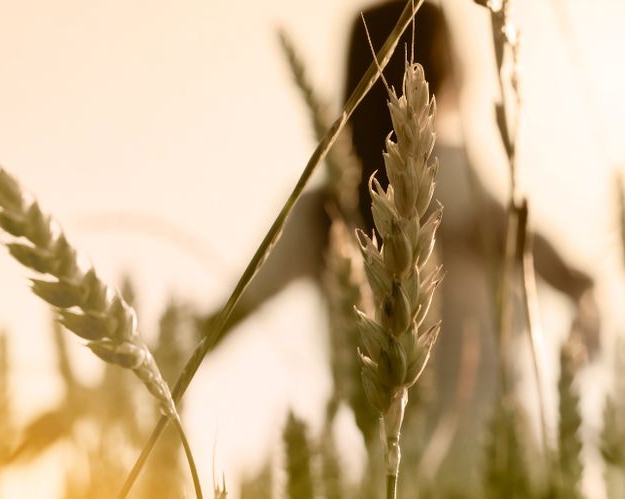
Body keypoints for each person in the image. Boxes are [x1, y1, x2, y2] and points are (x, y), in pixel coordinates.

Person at [206, 1, 598, 494]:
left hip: (395, 477)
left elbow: (217, 325)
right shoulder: (462, 185)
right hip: (507, 469)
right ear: (448, 69)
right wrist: (579, 345)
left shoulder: (322, 215)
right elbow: (581, 283)